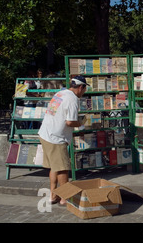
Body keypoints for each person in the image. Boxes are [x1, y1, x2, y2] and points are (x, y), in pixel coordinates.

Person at [38, 75, 89, 205]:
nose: (84, 92)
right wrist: (81, 122)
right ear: (81, 87)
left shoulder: (61, 93)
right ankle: (65, 198)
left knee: (54, 167)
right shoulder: (72, 100)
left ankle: (53, 196)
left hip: (46, 133)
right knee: (63, 168)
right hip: (56, 138)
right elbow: (70, 122)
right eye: (85, 89)